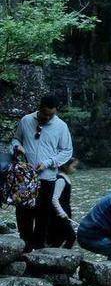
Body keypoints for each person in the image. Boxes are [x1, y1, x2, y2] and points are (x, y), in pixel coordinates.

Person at [11, 95, 73, 249]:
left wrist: (48, 163)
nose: (47, 117)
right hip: (25, 176)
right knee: (23, 212)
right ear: (39, 108)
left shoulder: (61, 126)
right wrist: (17, 147)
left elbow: (67, 151)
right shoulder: (26, 120)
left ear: (56, 111)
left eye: (51, 114)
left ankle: (38, 248)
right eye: (45, 113)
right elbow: (15, 139)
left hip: (47, 177)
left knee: (43, 214)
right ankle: (24, 245)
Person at [5, 145, 40, 250]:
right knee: (29, 224)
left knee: (24, 226)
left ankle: (26, 247)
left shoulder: (12, 167)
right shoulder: (28, 166)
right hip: (30, 198)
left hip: (20, 200)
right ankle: (30, 247)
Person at [49, 158, 78, 249]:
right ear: (66, 166)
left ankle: (56, 256)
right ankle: (63, 256)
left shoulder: (65, 178)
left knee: (60, 238)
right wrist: (61, 213)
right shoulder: (60, 179)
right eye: (73, 167)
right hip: (59, 214)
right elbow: (54, 199)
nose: (75, 169)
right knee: (71, 237)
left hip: (65, 211)